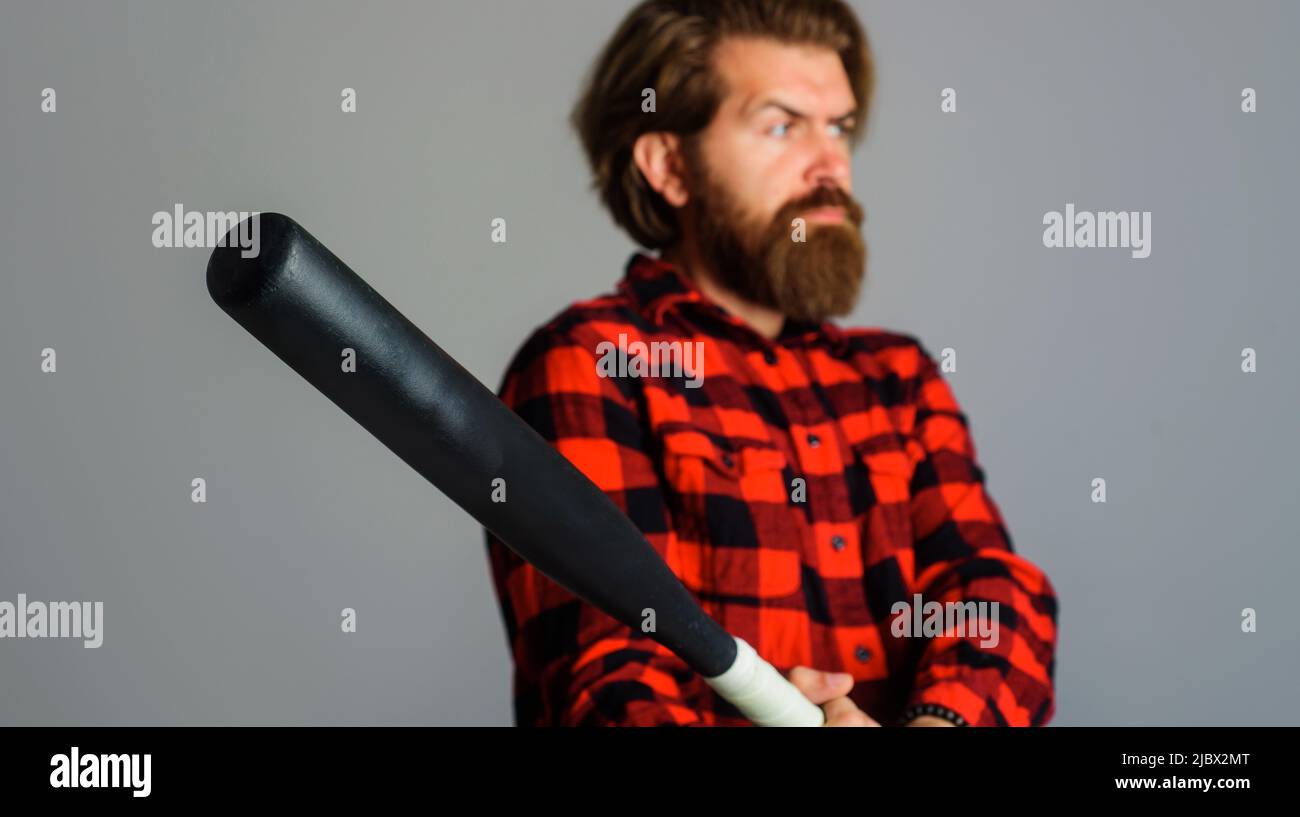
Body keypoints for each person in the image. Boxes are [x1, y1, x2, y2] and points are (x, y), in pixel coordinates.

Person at [485, 0, 1058, 727]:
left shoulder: (899, 379)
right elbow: (609, 670)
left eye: (841, 127)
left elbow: (992, 592)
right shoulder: (590, 364)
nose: (832, 166)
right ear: (669, 165)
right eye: (783, 125)